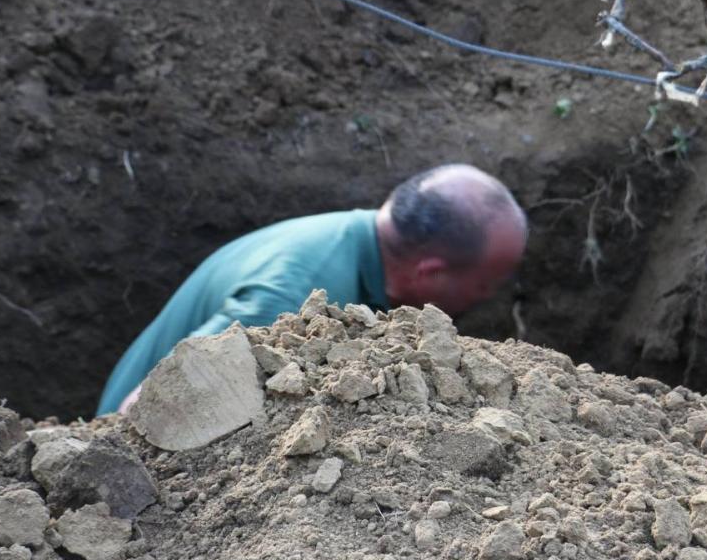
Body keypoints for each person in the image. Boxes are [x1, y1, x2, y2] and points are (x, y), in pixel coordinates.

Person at [96, 164, 527, 415]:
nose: (490, 296)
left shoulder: (354, 242)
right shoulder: (289, 302)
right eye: (487, 283)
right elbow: (140, 413)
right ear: (430, 274)